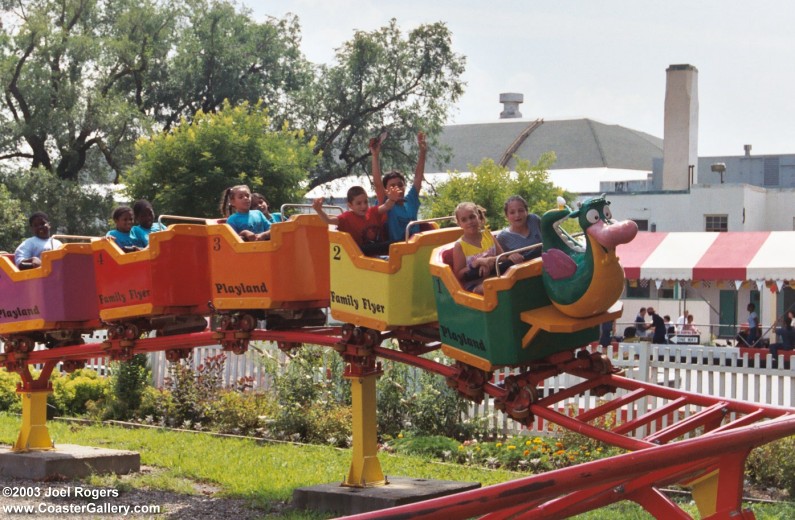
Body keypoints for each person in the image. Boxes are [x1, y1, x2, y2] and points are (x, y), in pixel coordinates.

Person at [371, 131, 426, 243]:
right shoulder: (386, 202)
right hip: (397, 249)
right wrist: (375, 156)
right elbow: (377, 184)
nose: (398, 188)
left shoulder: (411, 200)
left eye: (400, 185)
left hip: (416, 247)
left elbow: (418, 178)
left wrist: (423, 151)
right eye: (392, 186)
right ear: (386, 190)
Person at [312, 186, 392, 256]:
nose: (363, 206)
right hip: (361, 254)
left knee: (393, 244)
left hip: (378, 251)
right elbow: (328, 220)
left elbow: (386, 206)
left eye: (365, 202)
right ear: (350, 205)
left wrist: (392, 199)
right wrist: (319, 210)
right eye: (359, 203)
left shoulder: (372, 212)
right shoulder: (346, 218)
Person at [451, 202, 504, 295]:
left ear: (478, 217)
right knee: (492, 287)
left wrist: (489, 260)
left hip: (496, 276)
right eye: (464, 220)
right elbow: (458, 275)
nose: (469, 222)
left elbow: (503, 257)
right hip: (475, 284)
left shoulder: (487, 235)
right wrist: (476, 263)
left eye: (472, 217)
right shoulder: (459, 246)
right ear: (459, 223)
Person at [496, 195, 542, 264]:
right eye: (512, 212)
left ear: (526, 211)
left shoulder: (534, 220)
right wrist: (509, 257)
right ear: (506, 216)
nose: (517, 215)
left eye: (521, 211)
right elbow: (502, 260)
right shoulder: (502, 238)